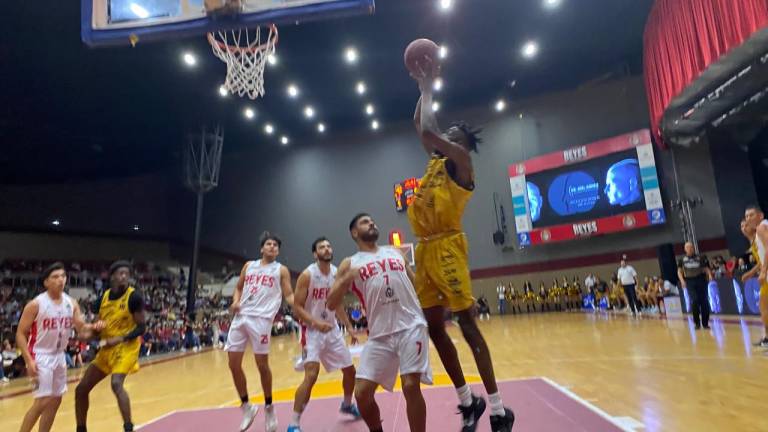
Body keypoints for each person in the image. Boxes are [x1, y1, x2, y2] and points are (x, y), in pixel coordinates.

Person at [409, 57, 514, 431]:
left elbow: (430, 131)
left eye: (454, 133)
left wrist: (427, 87)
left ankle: (500, 409)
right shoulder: (436, 162)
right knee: (435, 328)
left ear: (462, 143)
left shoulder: (461, 160)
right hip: (423, 250)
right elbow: (422, 127)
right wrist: (422, 90)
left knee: (467, 325)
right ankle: (468, 402)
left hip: (449, 249)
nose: (447, 135)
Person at [327, 213, 432, 432]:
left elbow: (417, 284)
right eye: (365, 222)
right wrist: (346, 279)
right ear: (354, 233)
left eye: (373, 220)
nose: (372, 223)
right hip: (380, 333)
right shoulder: (350, 263)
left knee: (411, 386)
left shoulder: (394, 252)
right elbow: (330, 303)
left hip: (411, 325)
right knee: (362, 393)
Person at [16, 263, 103, 432]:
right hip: (40, 355)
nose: (60, 280)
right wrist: (28, 360)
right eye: (55, 277)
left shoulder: (71, 303)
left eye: (63, 276)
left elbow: (82, 330)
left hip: (59, 356)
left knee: (55, 401)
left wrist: (95, 328)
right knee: (42, 401)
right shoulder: (36, 304)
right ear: (46, 282)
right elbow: (20, 333)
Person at [288, 237, 361, 432]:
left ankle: (347, 404)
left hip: (332, 330)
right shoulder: (307, 275)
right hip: (311, 331)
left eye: (329, 246)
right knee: (311, 376)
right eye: (322, 247)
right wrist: (315, 323)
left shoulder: (336, 273)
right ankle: (293, 424)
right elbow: (297, 307)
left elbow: (336, 304)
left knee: (350, 371)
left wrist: (349, 327)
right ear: (315, 253)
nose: (327, 249)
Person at [225, 232, 295, 432]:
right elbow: (238, 288)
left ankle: (269, 407)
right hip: (241, 318)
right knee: (233, 364)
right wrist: (235, 301)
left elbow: (289, 294)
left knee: (262, 366)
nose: (272, 247)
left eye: (275, 245)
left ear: (278, 251)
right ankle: (247, 406)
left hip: (262, 320)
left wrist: (300, 308)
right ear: (261, 249)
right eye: (268, 244)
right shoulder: (249, 266)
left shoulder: (281, 270)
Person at [75, 261, 145, 432]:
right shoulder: (102, 299)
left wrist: (121, 338)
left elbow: (142, 327)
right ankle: (81, 428)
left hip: (126, 347)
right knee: (81, 389)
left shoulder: (134, 297)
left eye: (126, 274)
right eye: (120, 273)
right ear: (112, 276)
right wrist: (88, 333)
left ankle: (128, 427)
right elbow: (97, 328)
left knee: (116, 384)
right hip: (107, 348)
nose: (123, 277)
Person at [744, 206, 768, 347]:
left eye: (751, 215)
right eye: (746, 216)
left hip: (767, 273)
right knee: (763, 306)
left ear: (760, 215)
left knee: (764, 307)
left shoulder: (761, 227)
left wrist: (764, 271)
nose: (748, 219)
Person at [677, 242, 713, 329]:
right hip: (690, 281)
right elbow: (679, 271)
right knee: (695, 300)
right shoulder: (682, 260)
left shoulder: (700, 257)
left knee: (704, 301)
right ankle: (697, 323)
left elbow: (706, 268)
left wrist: (710, 275)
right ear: (685, 249)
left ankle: (705, 323)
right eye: (688, 248)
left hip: (701, 280)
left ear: (693, 248)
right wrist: (682, 281)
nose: (690, 249)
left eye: (691, 247)